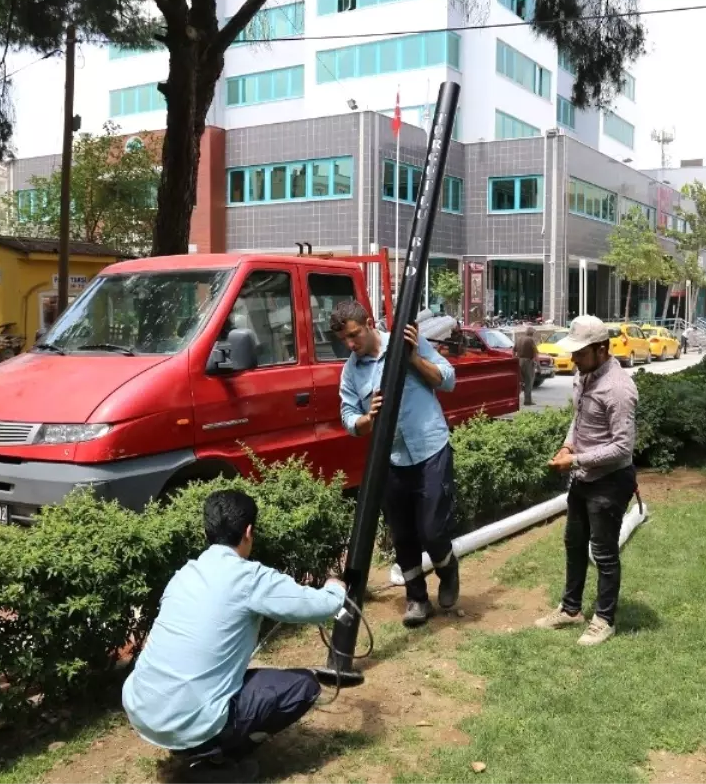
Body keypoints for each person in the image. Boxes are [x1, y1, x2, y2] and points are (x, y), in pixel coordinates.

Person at [122, 490, 345, 762]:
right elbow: (319, 606)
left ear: (207, 531)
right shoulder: (248, 577)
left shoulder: (184, 575)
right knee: (304, 686)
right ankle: (217, 757)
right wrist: (335, 589)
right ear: (248, 531)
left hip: (142, 709)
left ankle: (190, 743)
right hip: (193, 721)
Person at [331, 300, 459, 627]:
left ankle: (447, 569)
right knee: (402, 534)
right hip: (389, 458)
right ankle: (417, 599)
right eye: (345, 339)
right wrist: (366, 419)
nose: (351, 344)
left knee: (431, 529)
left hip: (430, 449)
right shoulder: (351, 371)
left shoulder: (407, 342)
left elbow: (448, 380)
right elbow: (347, 417)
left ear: (370, 323)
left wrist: (414, 359)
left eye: (355, 335)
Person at [535, 315, 638, 647]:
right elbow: (578, 420)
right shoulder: (585, 375)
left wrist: (574, 459)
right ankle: (570, 609)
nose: (573, 359)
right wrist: (568, 445)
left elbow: (623, 447)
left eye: (580, 353)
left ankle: (604, 619)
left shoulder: (619, 389)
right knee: (574, 543)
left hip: (610, 480)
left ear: (601, 349)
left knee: (604, 552)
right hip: (583, 477)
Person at [515, 326, 539, 406]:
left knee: (519, 381)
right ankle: (527, 401)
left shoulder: (519, 339)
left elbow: (513, 350)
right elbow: (535, 353)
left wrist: (515, 360)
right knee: (529, 381)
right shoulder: (530, 340)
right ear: (532, 333)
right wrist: (537, 364)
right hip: (528, 362)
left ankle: (515, 399)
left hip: (518, 361)